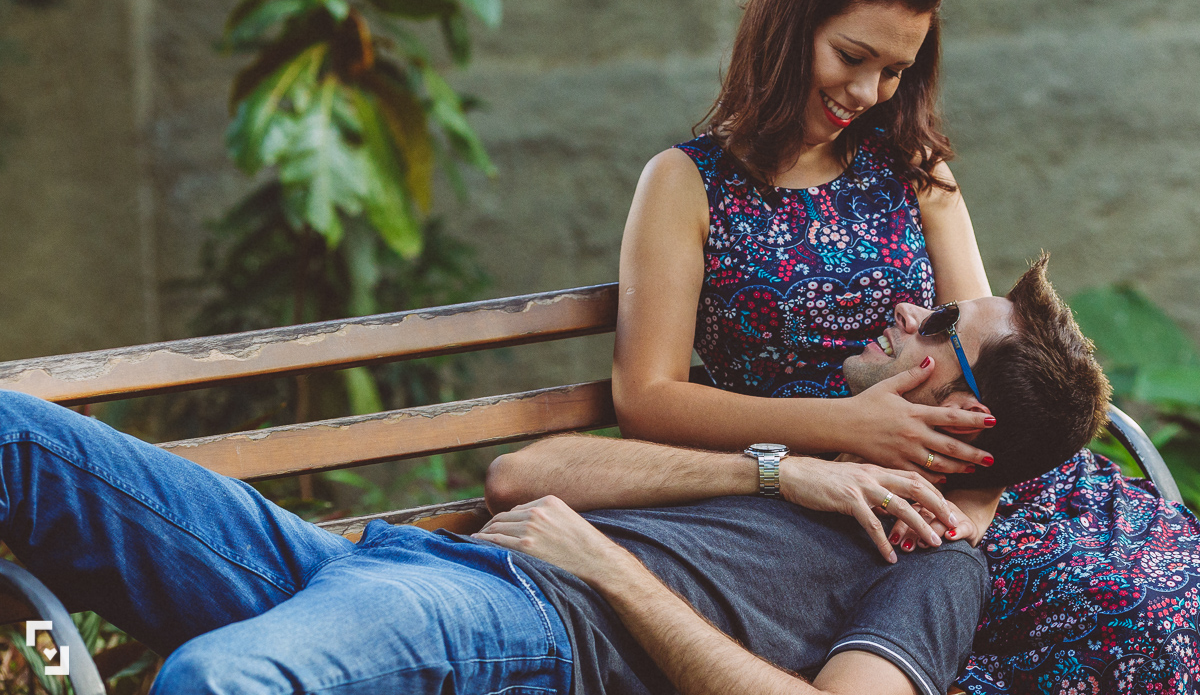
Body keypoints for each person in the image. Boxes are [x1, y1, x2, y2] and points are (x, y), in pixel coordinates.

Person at [0, 258, 1106, 695]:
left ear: (954, 398)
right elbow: (523, 466)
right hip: (376, 565)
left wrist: (607, 569)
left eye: (934, 319)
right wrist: (778, 470)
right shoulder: (817, 462)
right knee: (17, 436)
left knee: (210, 685)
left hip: (511, 616)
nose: (898, 310)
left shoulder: (939, 563)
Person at [609, 0, 1200, 692]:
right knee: (1123, 609)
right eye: (851, 55)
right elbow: (645, 399)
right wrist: (846, 426)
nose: (869, 90)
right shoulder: (686, 184)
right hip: (842, 508)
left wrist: (976, 512)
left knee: (1170, 579)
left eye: (894, 70)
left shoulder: (915, 168)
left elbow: (997, 368)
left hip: (975, 494)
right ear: (788, 24)